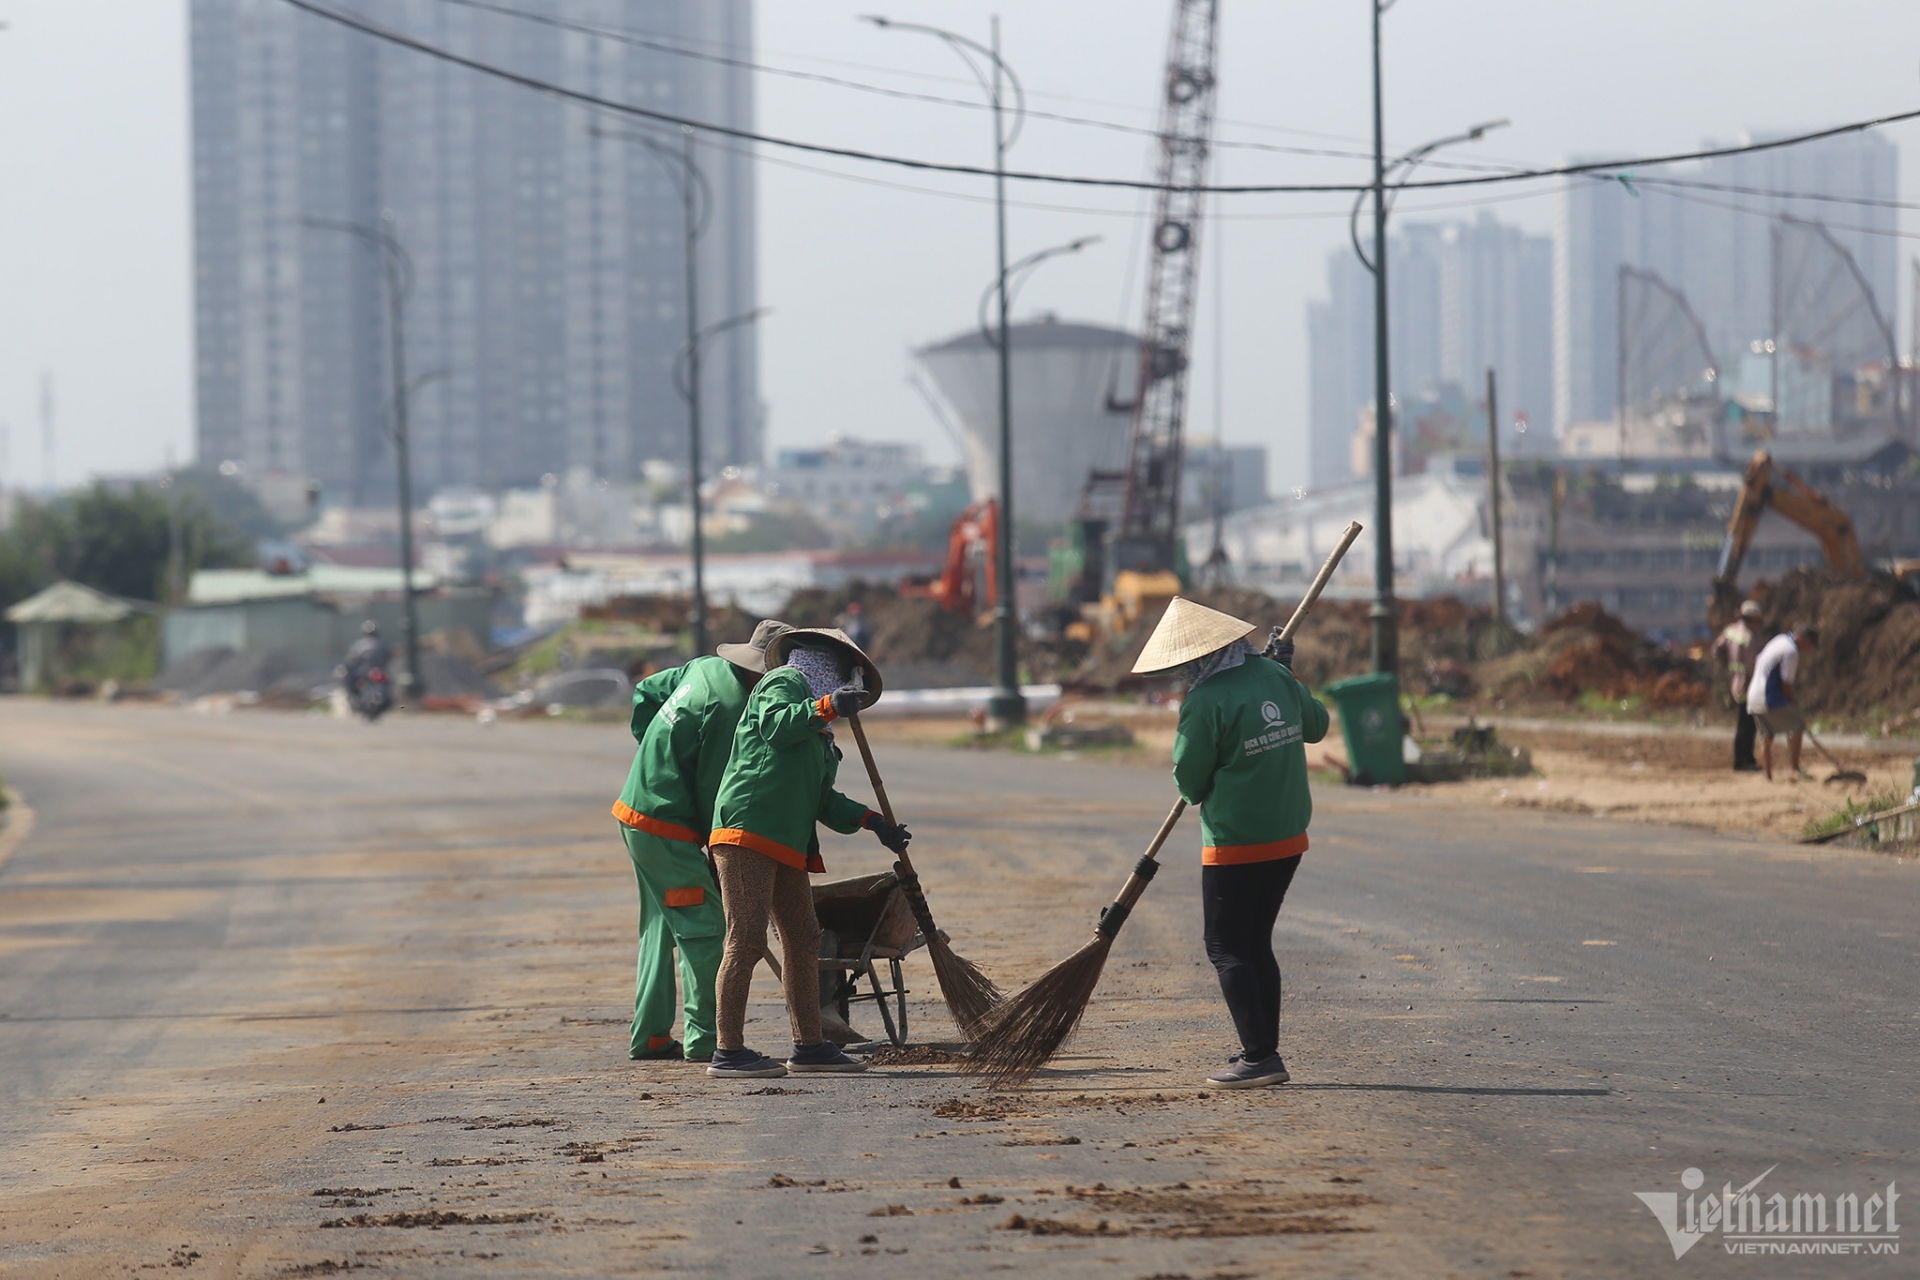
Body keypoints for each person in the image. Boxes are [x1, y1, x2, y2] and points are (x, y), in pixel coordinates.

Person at [1132, 598, 1329, 1091]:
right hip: (1288, 835)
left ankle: (1260, 1055)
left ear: (1197, 658)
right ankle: (1263, 1050)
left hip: (1237, 842)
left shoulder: (1204, 702)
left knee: (1224, 945)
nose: (1183, 673)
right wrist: (1285, 673)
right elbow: (1317, 725)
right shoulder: (1274, 676)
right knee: (1255, 941)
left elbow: (1191, 784)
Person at [704, 627, 910, 1079]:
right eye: (841, 678)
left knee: (803, 939)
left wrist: (873, 823)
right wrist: (828, 705)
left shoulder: (821, 736)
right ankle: (728, 1051)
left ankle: (810, 1045)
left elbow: (824, 802)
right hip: (747, 832)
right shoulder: (783, 685)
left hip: (787, 843)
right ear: (824, 666)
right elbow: (778, 728)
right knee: (747, 941)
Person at [614, 618, 794, 1063]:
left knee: (661, 927)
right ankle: (709, 1039)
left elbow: (646, 693)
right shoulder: (733, 711)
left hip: (636, 810)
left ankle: (652, 1036)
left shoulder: (701, 667)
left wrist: (654, 752)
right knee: (706, 928)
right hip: (665, 824)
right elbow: (720, 793)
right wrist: (721, 850)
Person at [1748, 623, 1818, 781]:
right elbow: (1786, 684)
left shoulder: (1779, 640)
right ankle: (1794, 768)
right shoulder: (1791, 652)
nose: (1809, 649)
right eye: (1810, 645)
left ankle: (1768, 776)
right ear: (1804, 639)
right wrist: (1792, 703)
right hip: (1769, 696)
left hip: (1753, 695)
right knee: (1797, 724)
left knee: (1766, 734)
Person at [1711, 600, 1764, 772]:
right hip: (1748, 685)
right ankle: (1743, 761)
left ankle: (1743, 759)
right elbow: (1753, 665)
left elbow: (1715, 651)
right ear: (1753, 618)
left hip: (1734, 682)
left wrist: (1727, 665)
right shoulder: (1748, 637)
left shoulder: (1730, 632)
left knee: (1744, 723)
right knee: (1747, 726)